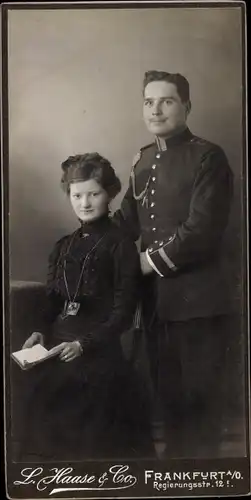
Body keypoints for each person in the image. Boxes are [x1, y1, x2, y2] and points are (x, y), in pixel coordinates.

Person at [114, 70, 235, 458]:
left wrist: (148, 262)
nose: (156, 109)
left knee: (200, 410)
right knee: (168, 404)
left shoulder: (208, 156)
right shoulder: (143, 160)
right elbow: (125, 223)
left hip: (199, 304)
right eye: (149, 101)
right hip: (155, 307)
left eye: (166, 101)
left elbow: (201, 230)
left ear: (187, 106)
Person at [18, 153, 152, 461]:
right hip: (57, 345)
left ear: (109, 195)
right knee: (41, 391)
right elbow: (53, 299)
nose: (85, 202)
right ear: (69, 196)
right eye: (77, 195)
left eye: (94, 193)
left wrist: (83, 344)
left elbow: (122, 313)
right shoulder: (63, 246)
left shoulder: (120, 245)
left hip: (99, 350)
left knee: (88, 400)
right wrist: (39, 330)